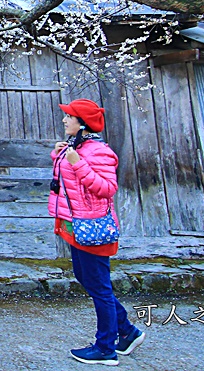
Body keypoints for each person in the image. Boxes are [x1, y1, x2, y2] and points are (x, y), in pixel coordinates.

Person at [48, 98, 146, 366]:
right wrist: (60, 156)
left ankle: (106, 348)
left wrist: (77, 162)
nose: (65, 120)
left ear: (82, 124)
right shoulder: (76, 147)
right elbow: (68, 183)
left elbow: (106, 188)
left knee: (99, 287)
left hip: (92, 227)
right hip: (75, 225)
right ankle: (127, 332)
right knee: (86, 277)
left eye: (70, 117)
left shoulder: (98, 152)